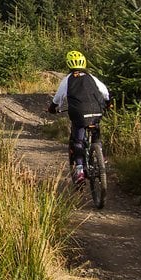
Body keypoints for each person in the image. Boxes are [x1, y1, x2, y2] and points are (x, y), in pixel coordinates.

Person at [48, 50, 110, 185]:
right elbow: (105, 93)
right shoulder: (92, 77)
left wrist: (52, 108)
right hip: (96, 111)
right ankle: (100, 156)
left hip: (79, 114)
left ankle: (80, 170)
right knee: (96, 131)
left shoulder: (68, 79)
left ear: (69, 65)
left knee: (78, 139)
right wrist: (108, 104)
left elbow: (58, 98)